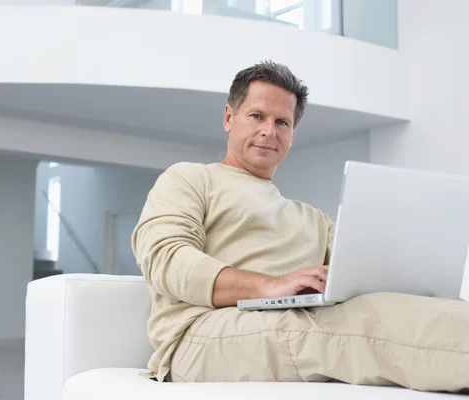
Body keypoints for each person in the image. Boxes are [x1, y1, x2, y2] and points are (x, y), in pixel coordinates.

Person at [131, 60, 469, 392]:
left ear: (292, 134)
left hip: (286, 320)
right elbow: (167, 259)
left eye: (282, 122)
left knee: (426, 308)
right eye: (256, 116)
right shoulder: (190, 178)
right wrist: (268, 286)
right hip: (198, 338)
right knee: (361, 322)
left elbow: (369, 268)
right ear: (229, 117)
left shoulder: (313, 219)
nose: (269, 131)